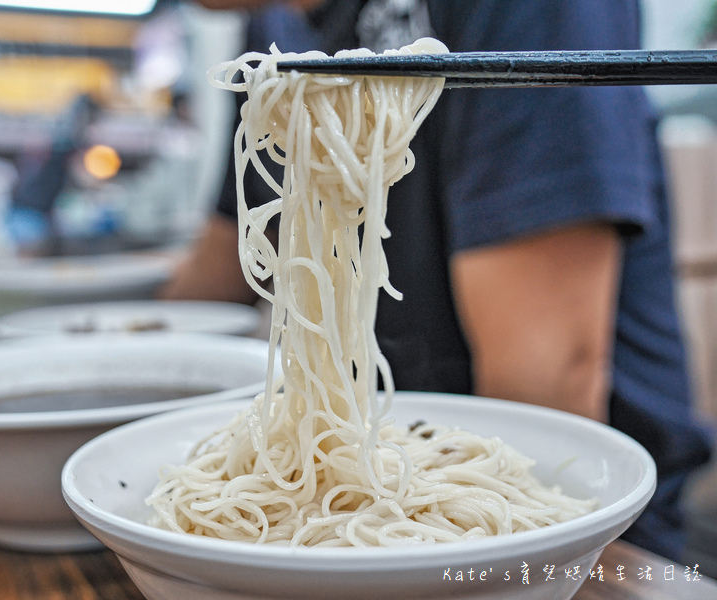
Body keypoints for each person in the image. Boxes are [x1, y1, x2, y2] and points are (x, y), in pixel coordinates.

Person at [159, 0, 714, 561]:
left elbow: (552, 379)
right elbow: (223, 263)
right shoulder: (274, 28)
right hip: (362, 509)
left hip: (597, 547)